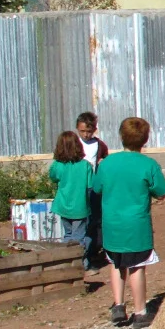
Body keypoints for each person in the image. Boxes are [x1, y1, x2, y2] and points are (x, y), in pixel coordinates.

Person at [89, 116, 165, 329]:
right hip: (137, 225)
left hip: (112, 225)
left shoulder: (107, 164)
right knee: (137, 266)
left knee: (116, 263)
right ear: (145, 139)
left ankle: (118, 305)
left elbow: (97, 188)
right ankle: (141, 311)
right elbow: (161, 192)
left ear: (121, 136)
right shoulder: (149, 165)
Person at [48, 130, 92, 264]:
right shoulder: (85, 165)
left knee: (67, 234)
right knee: (80, 237)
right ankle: (81, 265)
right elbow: (91, 186)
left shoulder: (57, 165)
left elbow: (53, 178)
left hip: (63, 205)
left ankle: (66, 263)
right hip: (80, 206)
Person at [75, 112, 107, 270]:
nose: (86, 134)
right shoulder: (74, 144)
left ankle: (95, 250)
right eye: (82, 131)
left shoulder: (99, 145)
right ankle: (82, 255)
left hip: (93, 187)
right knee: (81, 221)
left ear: (94, 130)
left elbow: (104, 162)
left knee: (95, 219)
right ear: (77, 129)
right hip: (77, 187)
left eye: (89, 131)